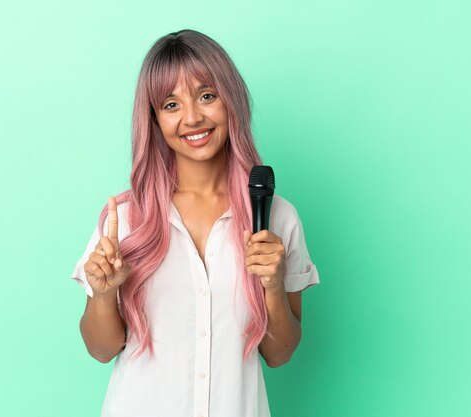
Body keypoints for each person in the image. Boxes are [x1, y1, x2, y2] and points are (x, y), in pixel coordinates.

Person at [70, 29, 319, 417]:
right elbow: (101, 350)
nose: (192, 118)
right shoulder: (126, 220)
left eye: (207, 96)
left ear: (230, 100)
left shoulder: (274, 218)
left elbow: (280, 354)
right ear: (153, 118)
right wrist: (103, 295)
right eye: (171, 104)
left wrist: (273, 286)